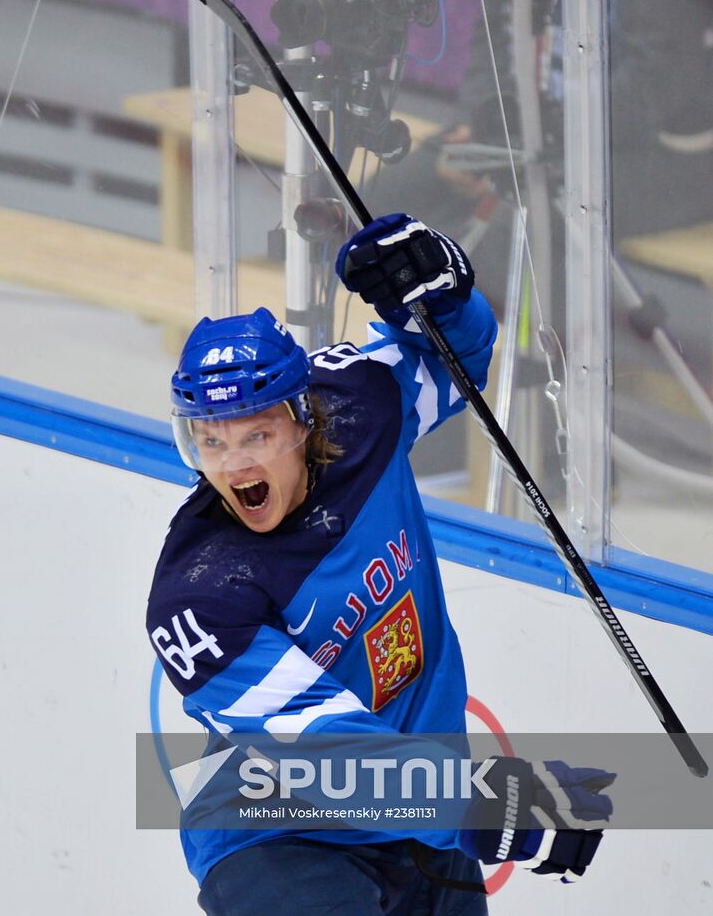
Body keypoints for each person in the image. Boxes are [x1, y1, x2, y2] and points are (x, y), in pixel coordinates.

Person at [147, 215, 613, 914]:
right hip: (278, 836)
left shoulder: (361, 407)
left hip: (429, 809)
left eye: (258, 433)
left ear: (305, 419)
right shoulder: (201, 597)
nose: (234, 462)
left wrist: (442, 295)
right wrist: (484, 806)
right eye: (210, 441)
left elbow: (460, 361)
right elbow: (327, 754)